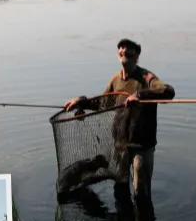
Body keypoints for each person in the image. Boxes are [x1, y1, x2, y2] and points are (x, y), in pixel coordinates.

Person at [64, 38, 175, 196]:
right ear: (118, 54)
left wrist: (139, 94)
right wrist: (81, 102)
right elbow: (103, 103)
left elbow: (168, 91)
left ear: (137, 55)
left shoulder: (147, 77)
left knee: (140, 192)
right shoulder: (115, 80)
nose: (124, 51)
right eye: (121, 49)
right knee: (120, 189)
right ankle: (123, 219)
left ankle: (142, 219)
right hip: (120, 144)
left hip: (141, 146)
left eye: (129, 49)